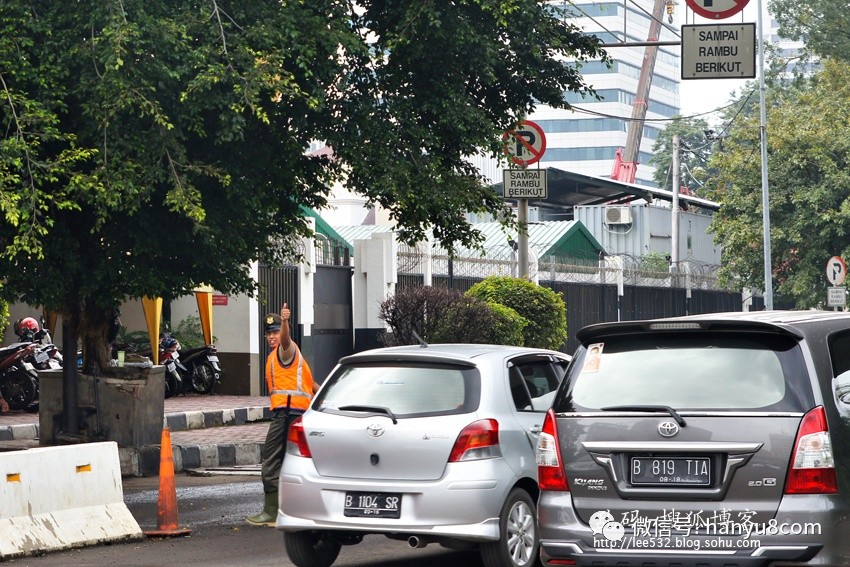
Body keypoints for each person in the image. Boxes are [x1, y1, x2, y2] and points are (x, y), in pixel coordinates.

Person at [246, 302, 319, 526]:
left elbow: (286, 340)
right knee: (295, 461)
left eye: (275, 331)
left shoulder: (286, 350)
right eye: (269, 333)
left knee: (270, 461)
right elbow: (310, 384)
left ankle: (271, 512)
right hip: (297, 414)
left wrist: (286, 322)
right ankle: (293, 509)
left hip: (287, 415)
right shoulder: (283, 357)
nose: (272, 336)